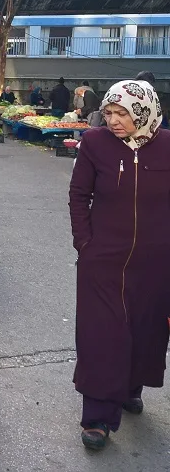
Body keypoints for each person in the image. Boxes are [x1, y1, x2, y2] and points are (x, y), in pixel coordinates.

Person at [69, 79, 170, 451]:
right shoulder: (95, 143)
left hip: (157, 262)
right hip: (102, 259)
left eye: (122, 113)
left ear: (144, 112)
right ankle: (97, 416)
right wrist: (85, 243)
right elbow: (79, 196)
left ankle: (129, 387)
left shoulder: (168, 146)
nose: (113, 120)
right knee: (101, 335)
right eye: (109, 112)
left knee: (145, 330)